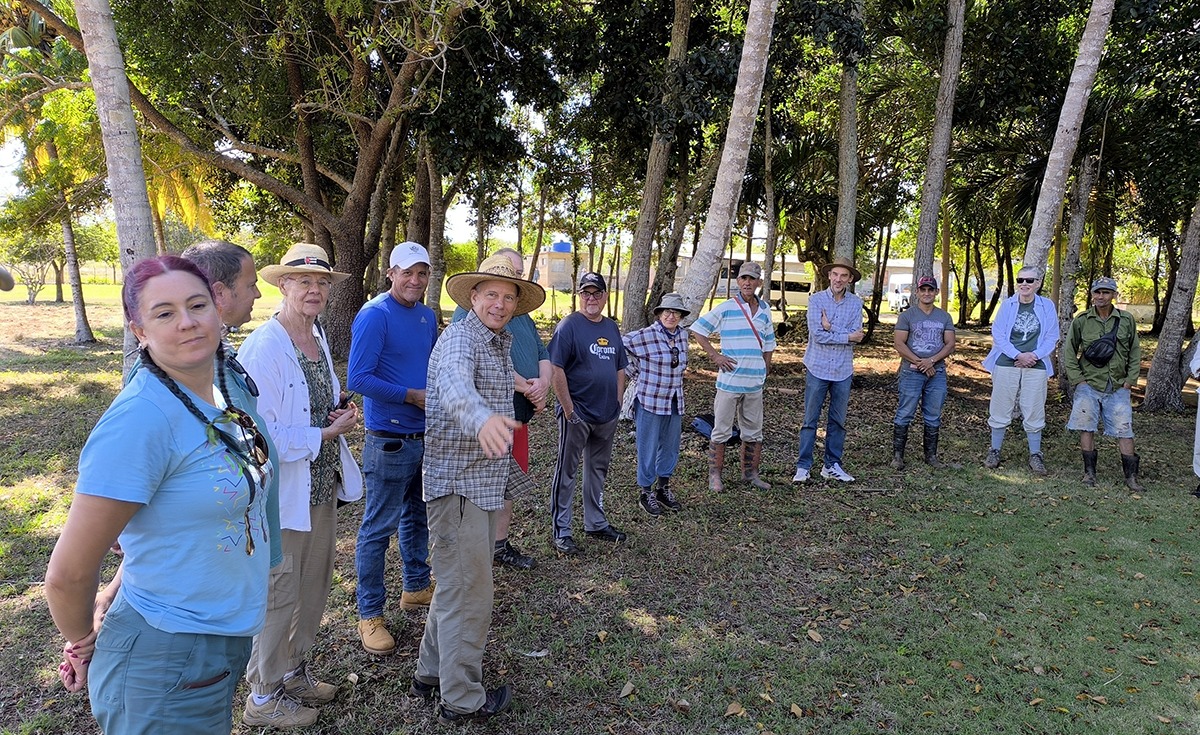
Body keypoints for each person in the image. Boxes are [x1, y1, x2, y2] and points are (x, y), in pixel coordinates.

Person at [45, 256, 272, 733]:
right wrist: (81, 641)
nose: (187, 322)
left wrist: (115, 586)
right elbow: (67, 574)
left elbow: (168, 524)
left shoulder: (211, 391)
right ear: (139, 331)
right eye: (164, 313)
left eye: (197, 305)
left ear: (217, 308)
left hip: (215, 640)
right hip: (166, 653)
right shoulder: (140, 420)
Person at [411, 254, 543, 724]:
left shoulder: (497, 341)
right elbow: (454, 386)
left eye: (508, 297)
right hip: (460, 490)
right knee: (469, 594)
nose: (500, 304)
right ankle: (461, 699)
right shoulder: (460, 340)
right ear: (473, 297)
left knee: (456, 587)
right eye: (491, 294)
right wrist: (481, 418)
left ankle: (431, 674)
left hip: (481, 486)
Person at [238, 244, 364, 727]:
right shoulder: (264, 348)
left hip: (321, 486)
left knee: (313, 585)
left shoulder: (317, 336)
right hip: (283, 495)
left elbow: (316, 399)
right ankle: (262, 696)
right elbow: (259, 435)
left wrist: (339, 409)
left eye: (322, 282)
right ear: (283, 285)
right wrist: (322, 434)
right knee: (280, 591)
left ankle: (293, 672)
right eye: (304, 281)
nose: (314, 290)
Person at [347, 241, 438, 655]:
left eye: (422, 273)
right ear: (390, 273)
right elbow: (358, 378)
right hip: (389, 439)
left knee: (418, 516)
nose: (415, 281)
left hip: (426, 434)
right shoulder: (375, 314)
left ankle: (415, 587)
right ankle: (370, 614)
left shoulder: (426, 316)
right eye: (407, 273)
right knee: (378, 528)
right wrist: (409, 396)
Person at [451, 247, 551, 570]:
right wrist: (528, 388)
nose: (502, 302)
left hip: (517, 417)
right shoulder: (466, 319)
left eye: (517, 276)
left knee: (508, 484)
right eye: (495, 292)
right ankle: (472, 554)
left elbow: (542, 353)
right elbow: (478, 370)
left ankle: (498, 545)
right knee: (479, 490)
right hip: (487, 422)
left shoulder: (519, 315)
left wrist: (543, 384)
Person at [548, 272, 629, 556]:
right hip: (578, 413)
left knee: (597, 469)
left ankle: (595, 523)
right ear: (579, 296)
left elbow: (620, 367)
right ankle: (562, 531)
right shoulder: (569, 326)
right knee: (566, 471)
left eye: (596, 293)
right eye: (586, 293)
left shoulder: (611, 327)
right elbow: (556, 368)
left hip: (606, 414)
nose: (591, 298)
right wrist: (569, 410)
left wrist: (618, 402)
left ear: (605, 296)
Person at [690, 262, 777, 491]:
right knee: (721, 429)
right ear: (738, 281)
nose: (747, 283)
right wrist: (715, 356)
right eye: (743, 278)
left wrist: (765, 366)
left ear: (759, 282)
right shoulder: (727, 307)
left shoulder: (765, 309)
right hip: (730, 381)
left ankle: (750, 474)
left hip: (754, 383)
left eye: (752, 279)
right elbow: (698, 329)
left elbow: (769, 342)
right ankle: (715, 476)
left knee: (754, 431)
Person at [1063, 276, 1143, 490]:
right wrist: (1078, 380)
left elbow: (1134, 351)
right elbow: (1069, 351)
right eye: (1097, 292)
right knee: (1086, 427)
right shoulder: (1082, 320)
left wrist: (1130, 380)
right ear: (1092, 295)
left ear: (1114, 295)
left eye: (1106, 292)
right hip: (1089, 384)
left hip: (1118, 385)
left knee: (1124, 430)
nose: (1101, 296)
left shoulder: (1126, 320)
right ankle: (1089, 473)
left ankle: (1131, 477)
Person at [982, 266, 1060, 475]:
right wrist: (1018, 355)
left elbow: (1052, 336)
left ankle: (1035, 454)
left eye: (1029, 280)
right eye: (1020, 280)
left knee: (1034, 407)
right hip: (1007, 362)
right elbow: (998, 334)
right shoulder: (1007, 305)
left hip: (1036, 363)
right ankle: (994, 450)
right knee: (1000, 406)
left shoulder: (1046, 305)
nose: (1024, 284)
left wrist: (1033, 356)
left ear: (1038, 283)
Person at [794, 257, 864, 483]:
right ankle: (803, 466)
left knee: (838, 421)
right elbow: (818, 335)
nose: (838, 279)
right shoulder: (816, 300)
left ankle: (832, 465)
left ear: (850, 279)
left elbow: (858, 336)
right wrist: (845, 335)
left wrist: (830, 326)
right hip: (817, 367)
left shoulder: (856, 303)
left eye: (844, 276)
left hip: (843, 370)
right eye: (835, 274)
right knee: (809, 420)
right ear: (829, 275)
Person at [622, 292, 690, 514]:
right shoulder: (646, 335)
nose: (671, 316)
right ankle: (646, 492)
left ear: (681, 316)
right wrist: (636, 373)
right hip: (650, 400)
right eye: (667, 311)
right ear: (659, 314)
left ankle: (663, 488)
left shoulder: (683, 336)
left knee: (670, 447)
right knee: (648, 447)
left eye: (676, 312)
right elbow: (620, 346)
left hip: (674, 400)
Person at [890, 276, 956, 470]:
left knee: (933, 414)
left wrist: (931, 361)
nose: (927, 293)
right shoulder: (907, 316)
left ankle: (931, 456)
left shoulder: (944, 317)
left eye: (931, 290)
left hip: (937, 372)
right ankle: (898, 457)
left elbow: (950, 344)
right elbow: (899, 343)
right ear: (917, 292)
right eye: (923, 289)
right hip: (911, 372)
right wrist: (920, 363)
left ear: (936, 292)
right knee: (905, 413)